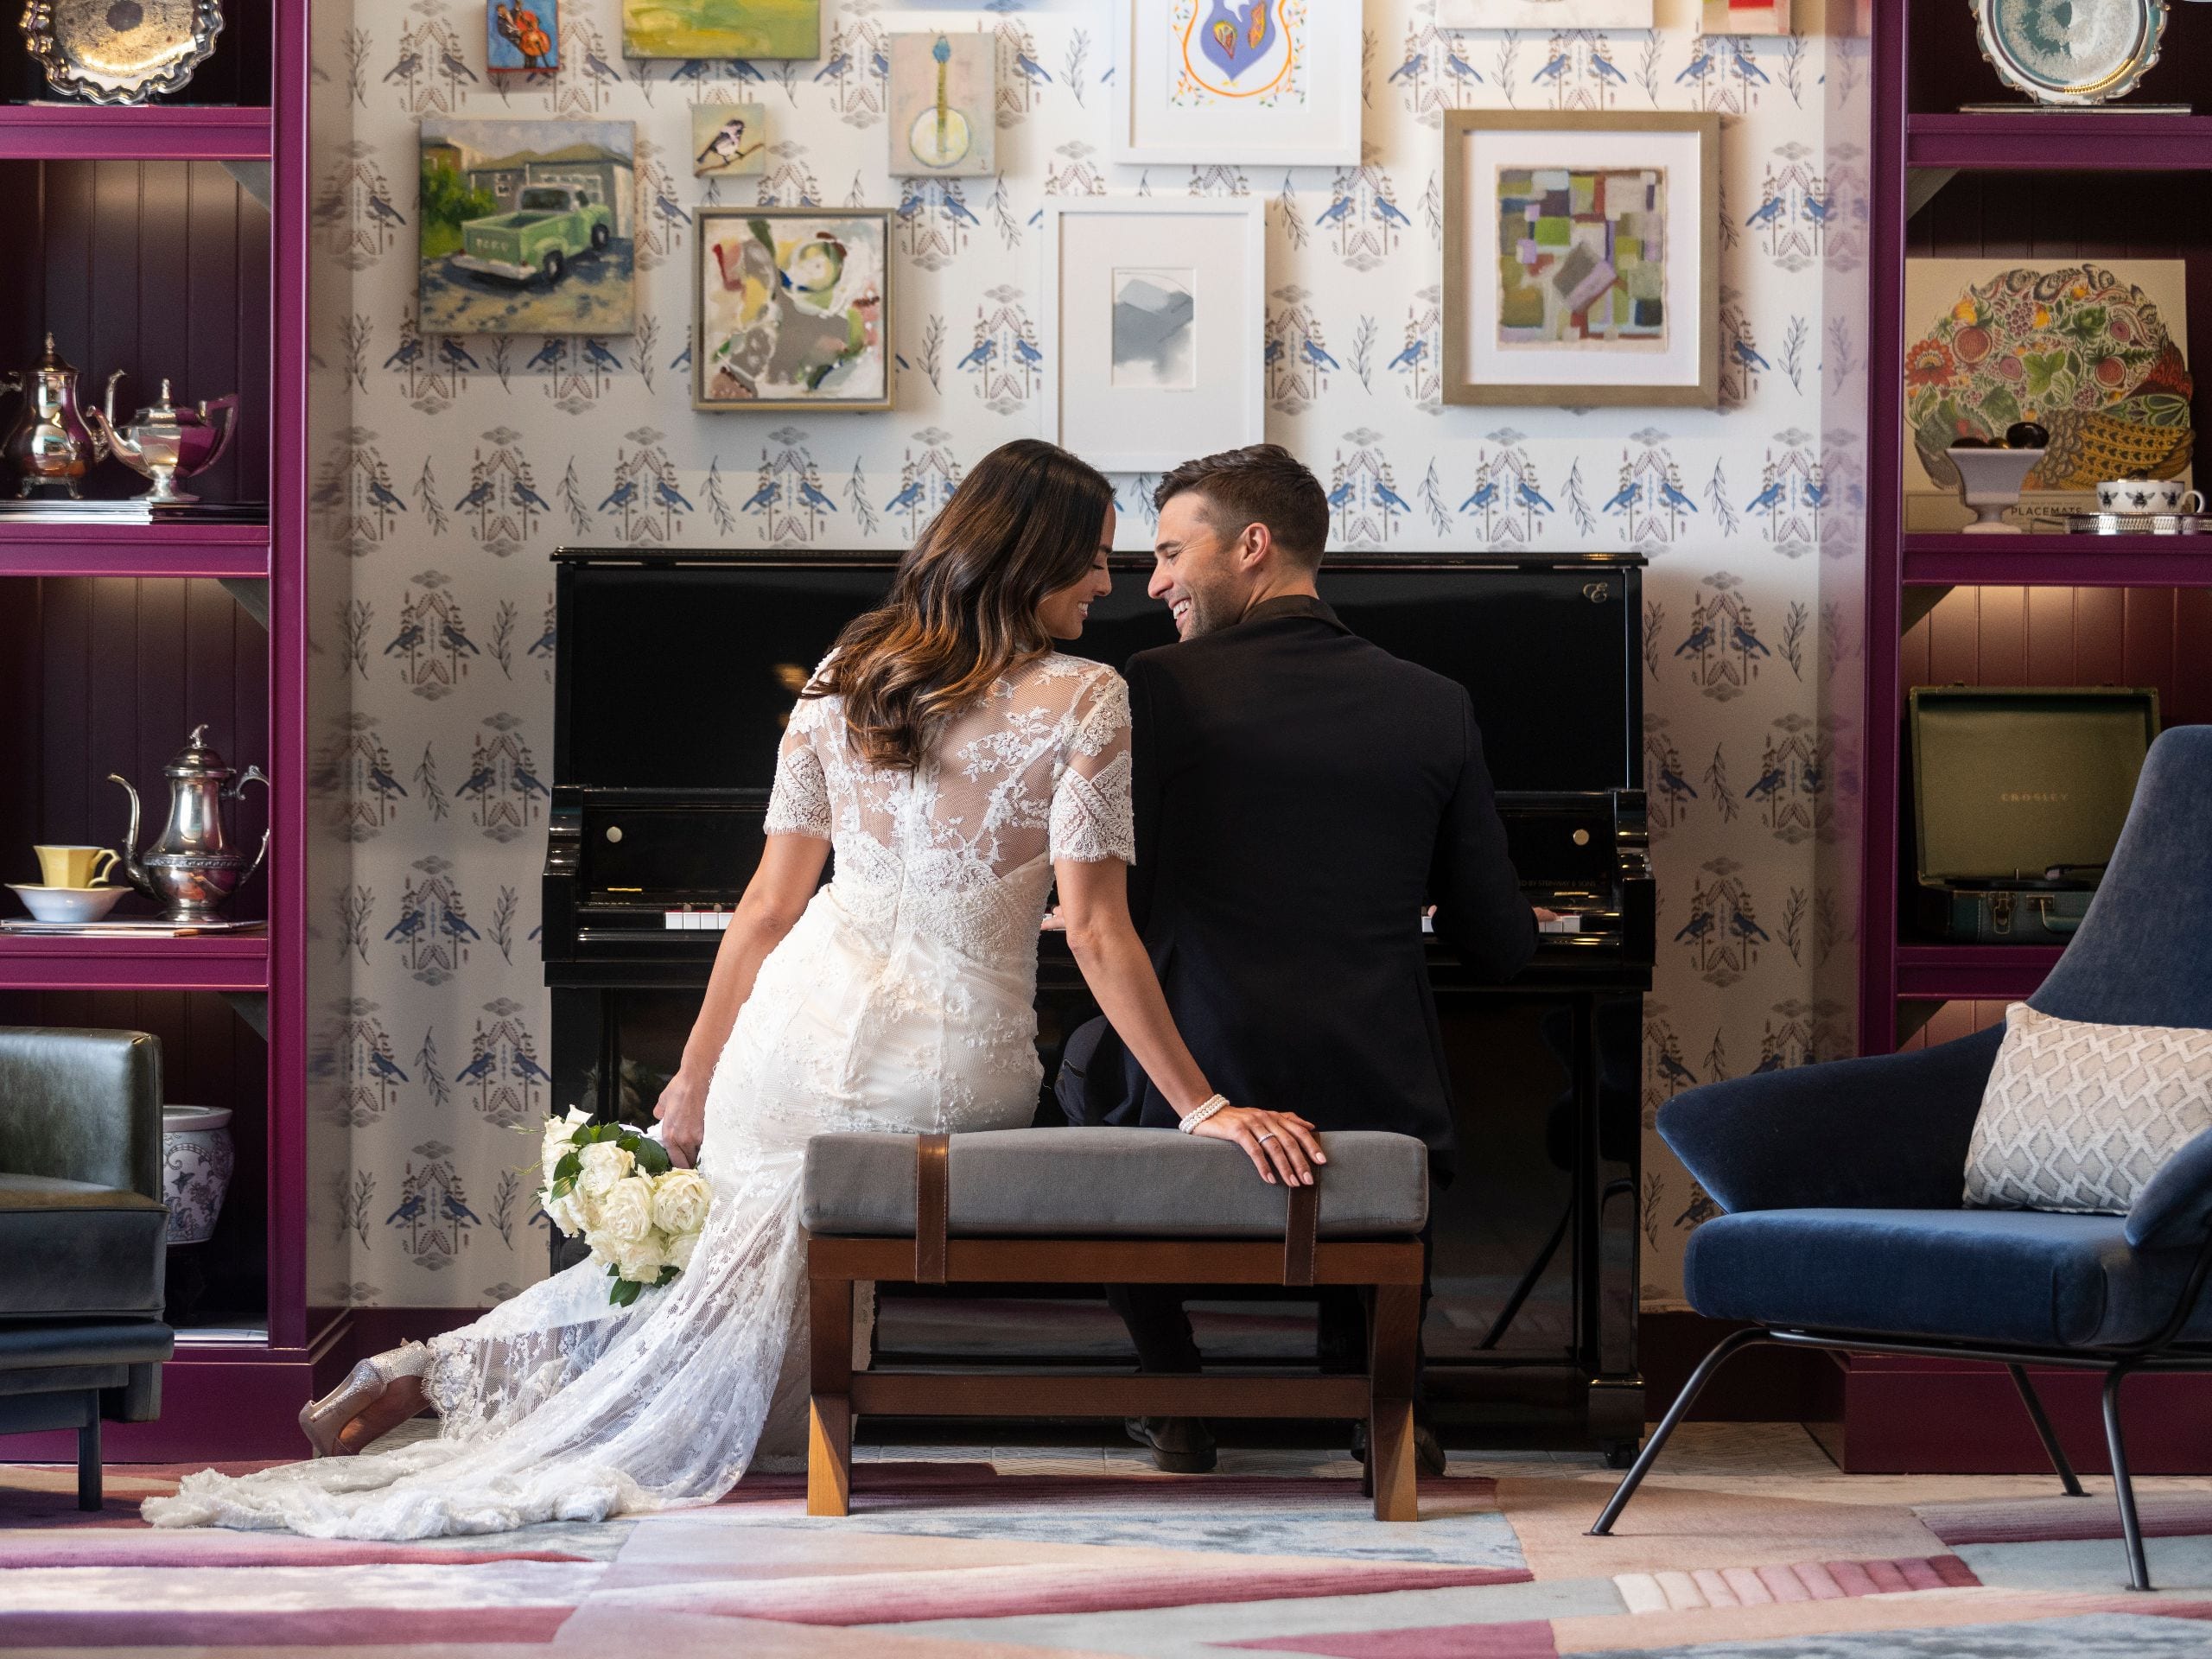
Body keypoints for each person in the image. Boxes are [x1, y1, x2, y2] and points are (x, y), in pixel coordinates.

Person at [145, 440, 1321, 1539]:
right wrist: (1206, 1105)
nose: (1110, 581)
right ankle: (473, 1384)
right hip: (950, 1065)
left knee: (723, 1283)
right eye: (1096, 553)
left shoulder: (851, 674)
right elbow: (1104, 934)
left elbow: (765, 907)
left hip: (789, 1036)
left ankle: (447, 1370)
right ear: (1036, 559)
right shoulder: (1086, 697)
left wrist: (693, 1083)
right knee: (738, 1364)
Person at [1058, 443, 1537, 1477]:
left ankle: (1178, 1393)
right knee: (1384, 1072)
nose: (1156, 583)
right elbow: (1497, 944)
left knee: (1085, 1063)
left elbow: (1118, 906)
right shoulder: (1434, 701)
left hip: (1203, 1077)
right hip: (1372, 1082)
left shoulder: (1154, 684)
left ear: (1253, 546)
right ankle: (1373, 1403)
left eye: (1173, 554)